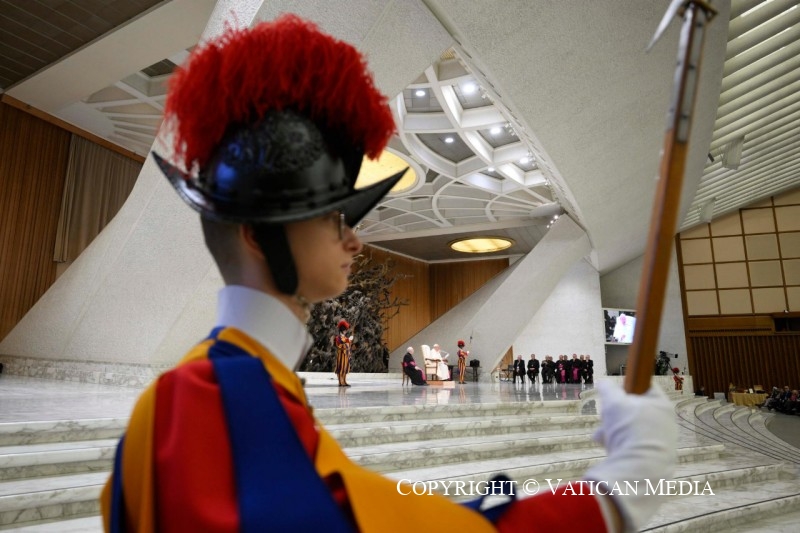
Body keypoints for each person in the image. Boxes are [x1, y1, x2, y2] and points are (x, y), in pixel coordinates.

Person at [100, 15, 677, 533]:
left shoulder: (212, 394)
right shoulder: (214, 402)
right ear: (257, 233)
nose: (354, 238)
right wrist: (617, 492)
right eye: (332, 217)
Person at [333, 319, 353, 387]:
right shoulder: (338, 338)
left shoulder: (345, 337)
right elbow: (340, 343)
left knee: (345, 369)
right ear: (342, 330)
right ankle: (340, 381)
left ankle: (344, 381)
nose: (345, 331)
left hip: (346, 355)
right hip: (341, 355)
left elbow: (348, 345)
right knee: (340, 369)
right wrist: (348, 340)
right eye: (344, 330)